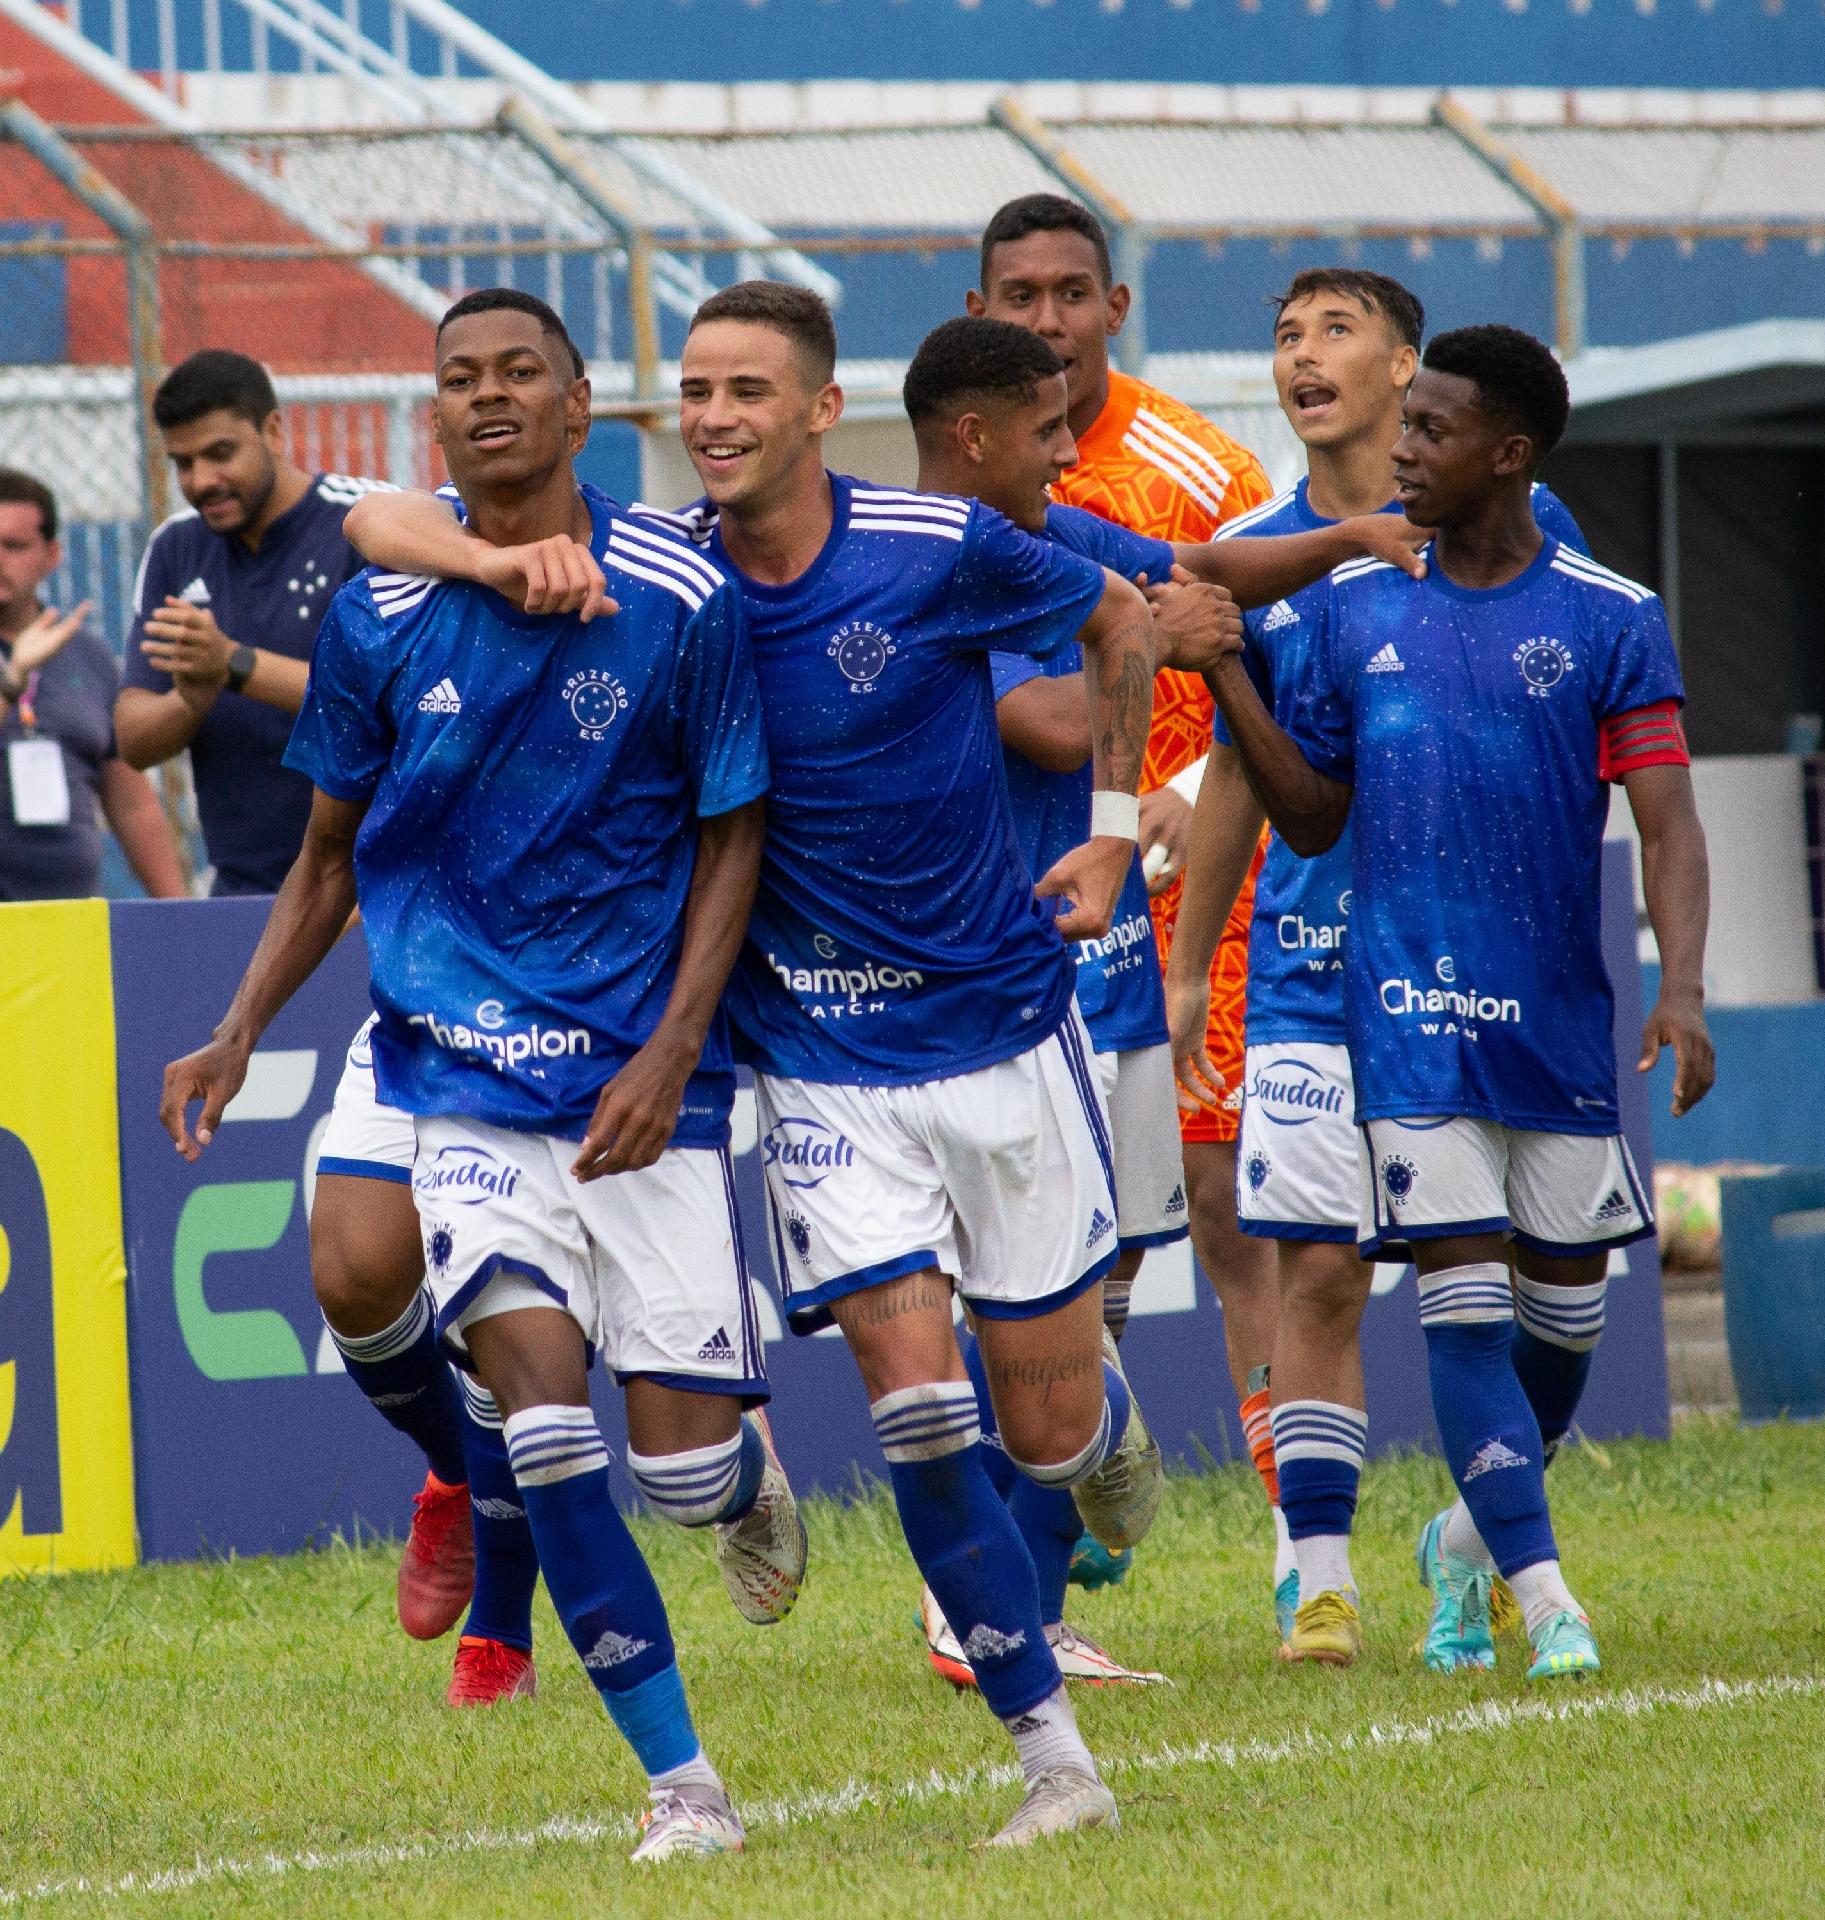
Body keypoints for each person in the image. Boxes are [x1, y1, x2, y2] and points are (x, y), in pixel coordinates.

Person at [347, 279, 1165, 1850]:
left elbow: (1122, 617)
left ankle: (1093, 1433)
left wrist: (1120, 839)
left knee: (1049, 1428)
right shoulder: (664, 573)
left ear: (813, 406)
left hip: (997, 1030)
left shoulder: (928, 548)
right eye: (695, 393)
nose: (713, 417)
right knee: (921, 1414)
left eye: (744, 392)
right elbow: (386, 516)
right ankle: (1054, 1764)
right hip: (814, 1066)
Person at [160, 288, 805, 1863]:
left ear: (584, 406)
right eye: (461, 380)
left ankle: (728, 1468)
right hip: (444, 1055)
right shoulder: (385, 599)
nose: (490, 397)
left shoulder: (675, 589)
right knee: (506, 1385)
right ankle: (683, 1789)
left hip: (626, 1075)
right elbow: (327, 852)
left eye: (523, 373)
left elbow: (736, 830)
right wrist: (241, 1026)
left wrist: (671, 1048)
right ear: (434, 416)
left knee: (677, 1462)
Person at [897, 314, 1429, 1691]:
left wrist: (1342, 544)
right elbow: (1048, 720)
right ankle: (978, 1604)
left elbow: (1197, 574)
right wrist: (1166, 645)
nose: (1072, 446)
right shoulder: (913, 557)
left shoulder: (1051, 539)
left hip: (1104, 970)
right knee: (1017, 1297)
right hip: (987, 977)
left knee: (1108, 1272)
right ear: (973, 430)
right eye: (1041, 426)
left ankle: (1034, 1593)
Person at [1201, 323, 1714, 1684]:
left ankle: (1466, 1542)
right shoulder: (1354, 601)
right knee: (1459, 1306)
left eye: (1430, 431)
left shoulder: (1610, 614)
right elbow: (1306, 812)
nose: (1404, 449)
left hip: (1554, 1024)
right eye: (1403, 423)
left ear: (1510, 454)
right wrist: (1232, 677)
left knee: (1564, 1328)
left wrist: (1691, 985)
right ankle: (1546, 1602)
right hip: (1403, 1020)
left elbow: (1667, 821)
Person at [1165, 268, 1592, 1665]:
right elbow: (1235, 772)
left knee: (1554, 1295)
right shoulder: (1254, 553)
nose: (1302, 354)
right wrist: (1186, 969)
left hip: (1487, 977)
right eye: (1283, 334)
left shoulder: (1527, 534)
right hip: (1314, 969)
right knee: (1325, 1279)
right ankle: (1319, 1575)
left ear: (1406, 367)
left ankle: (1467, 1540)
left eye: (1333, 329)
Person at [970, 192, 1286, 1587]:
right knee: (1063, 1233)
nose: (1047, 317)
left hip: (1192, 878)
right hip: (1045, 891)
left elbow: (1279, 655)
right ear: (982, 310)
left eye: (1070, 292)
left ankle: (1300, 1533)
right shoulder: (962, 476)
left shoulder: (1193, 468)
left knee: (1223, 1208)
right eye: (1019, 294)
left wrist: (1197, 774)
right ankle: (1073, 1471)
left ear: (1114, 307)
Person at [115, 349, 384, 896]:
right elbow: (133, 739)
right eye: (183, 463)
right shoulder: (176, 547)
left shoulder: (368, 523)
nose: (201, 480)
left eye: (220, 454)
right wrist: (189, 700)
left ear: (274, 431)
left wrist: (234, 664)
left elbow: (393, 708)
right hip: (241, 891)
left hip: (373, 888)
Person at [0, 470, 185, 902]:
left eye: (13, 546)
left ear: (51, 555)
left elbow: (132, 803)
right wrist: (12, 681)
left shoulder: (89, 656)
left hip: (71, 922)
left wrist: (180, 914)